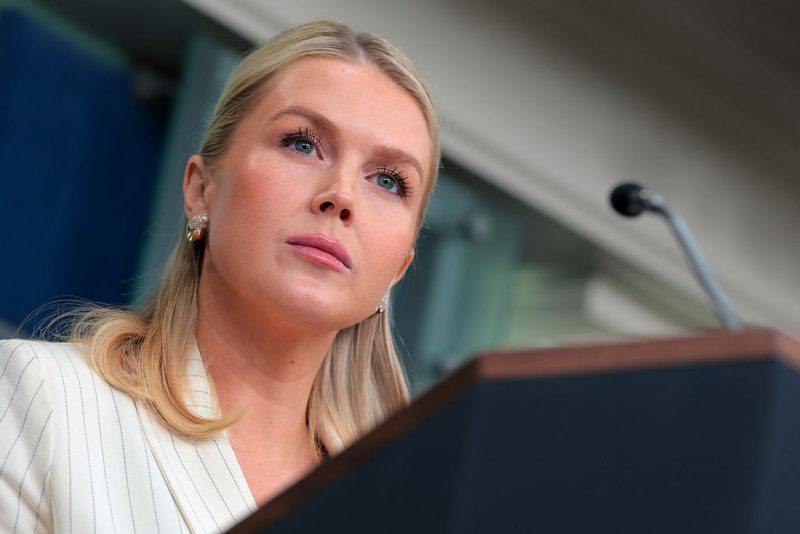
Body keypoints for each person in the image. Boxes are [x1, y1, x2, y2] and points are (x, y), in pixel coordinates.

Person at [0, 20, 440, 533]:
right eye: (303, 144)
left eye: (388, 180)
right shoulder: (41, 397)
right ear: (200, 190)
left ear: (400, 267)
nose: (341, 196)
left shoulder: (402, 513)